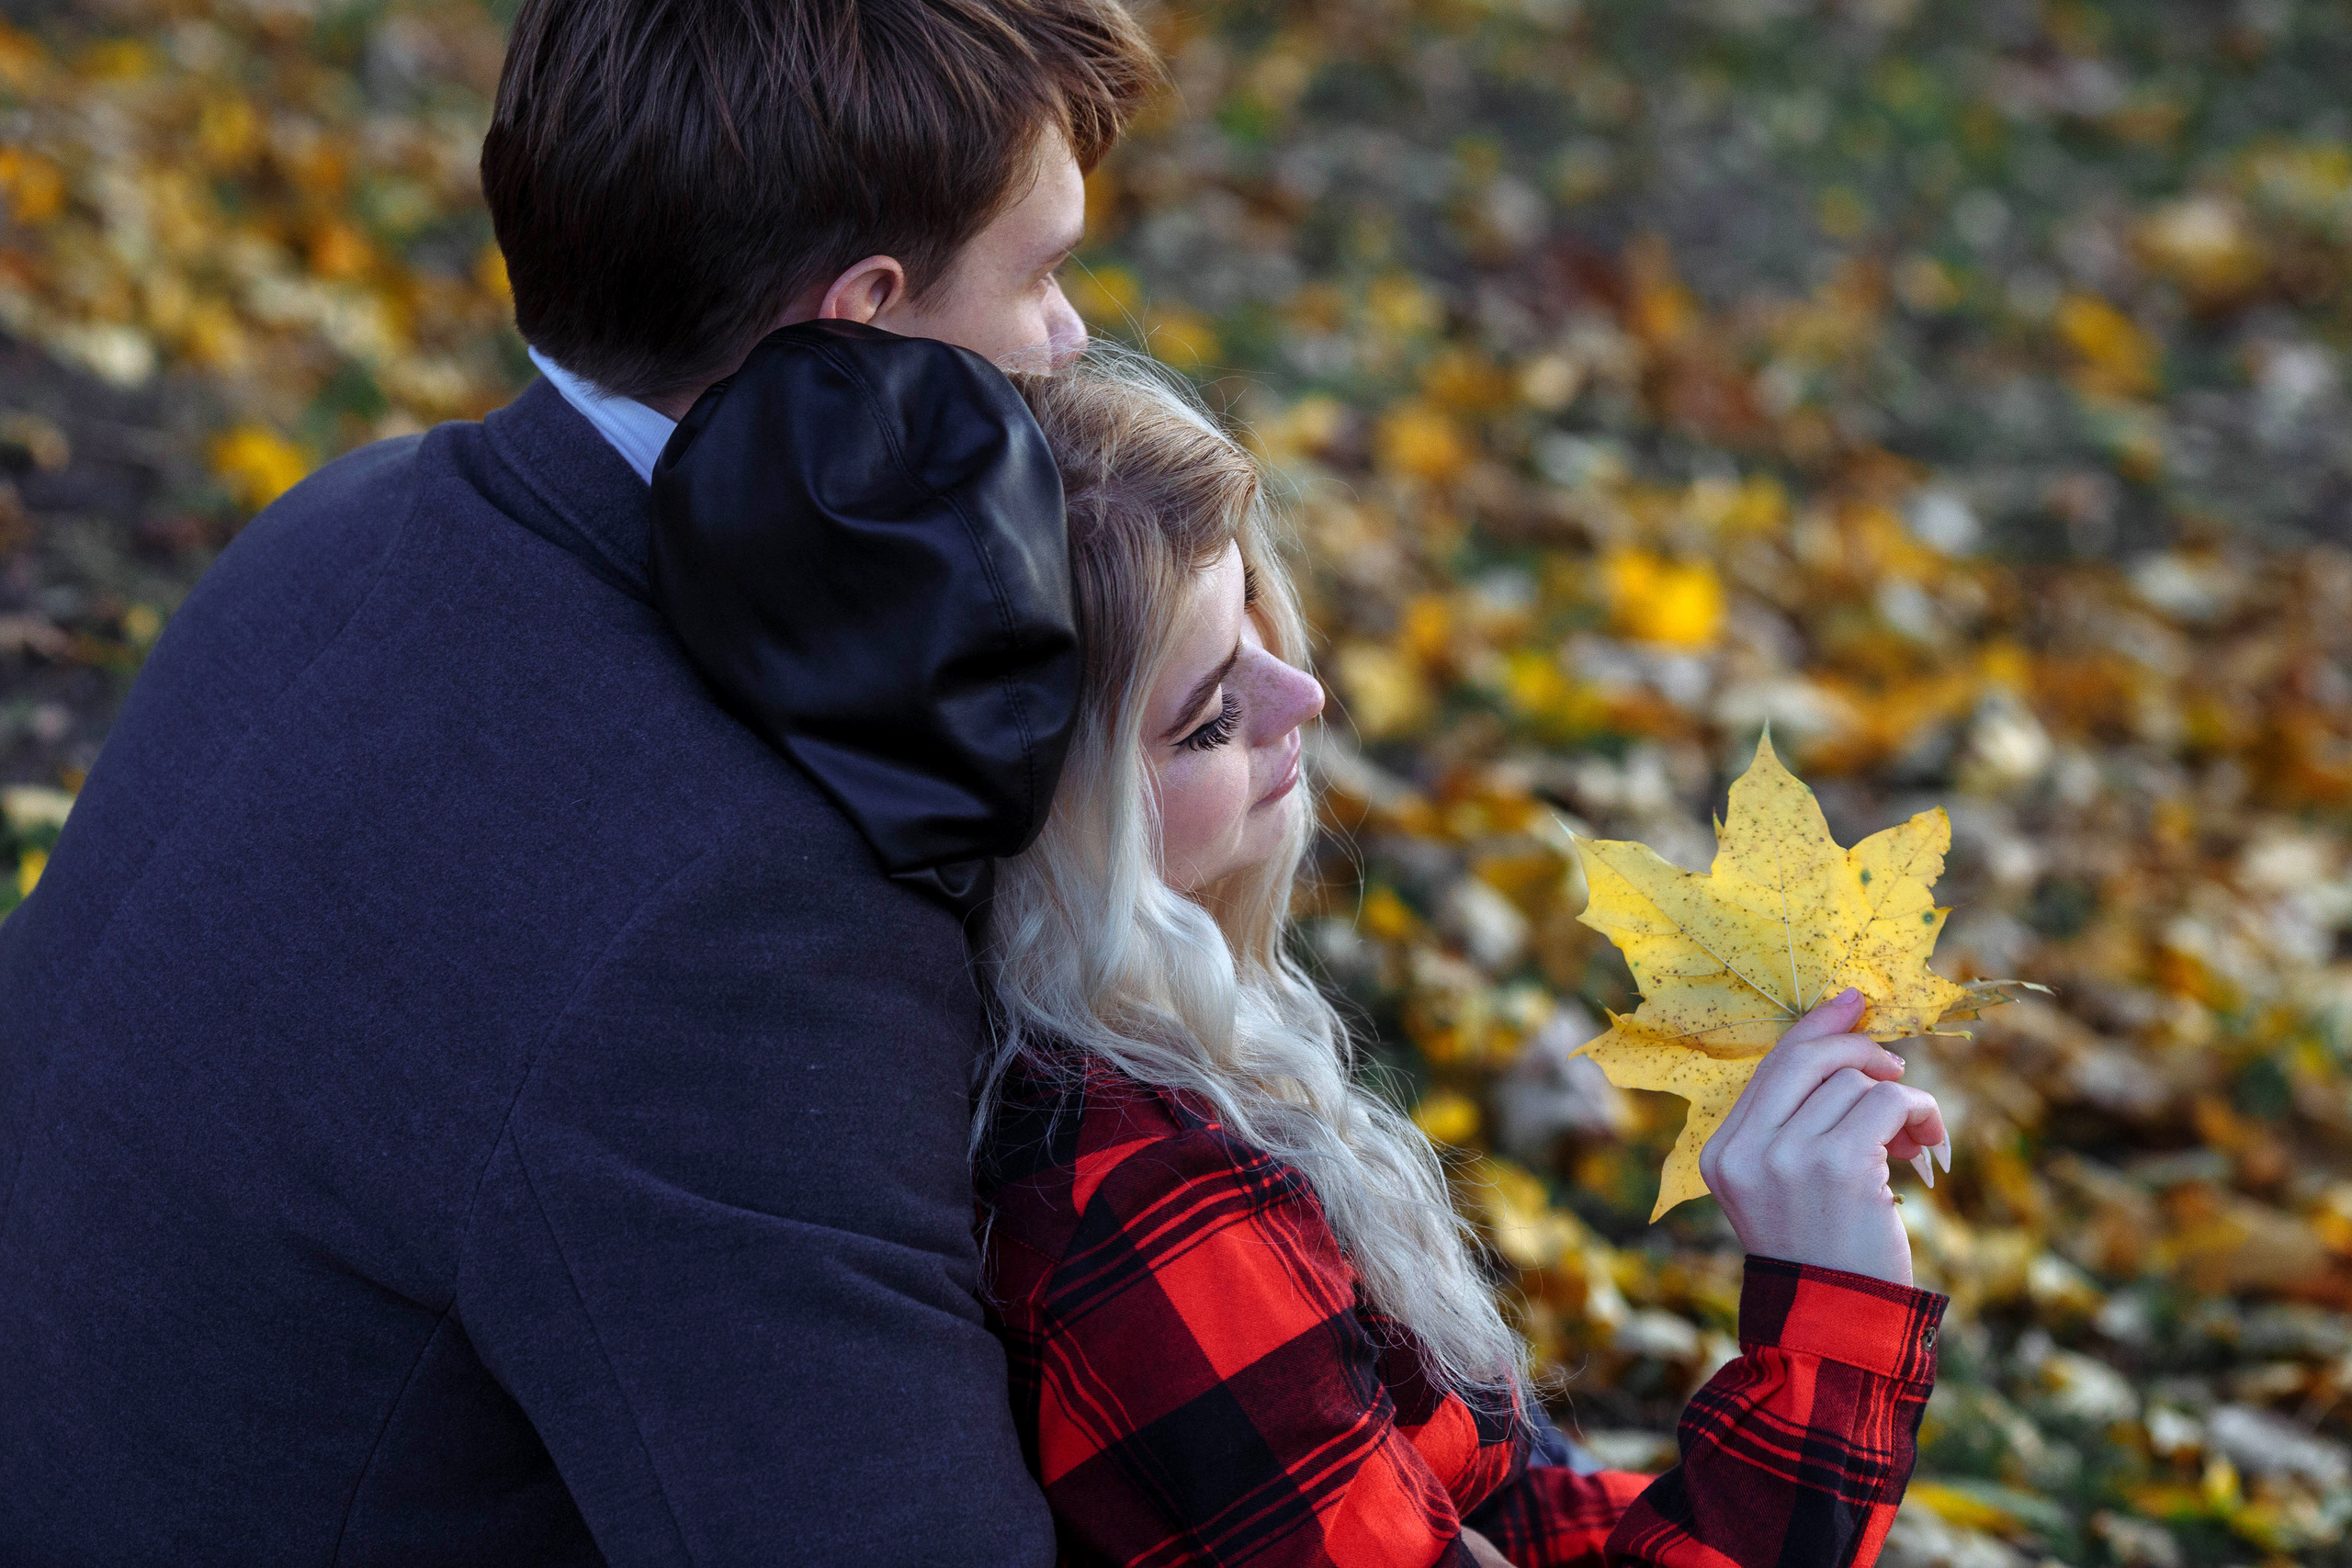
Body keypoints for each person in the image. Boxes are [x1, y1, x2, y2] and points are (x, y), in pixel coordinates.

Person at [0, 1, 1155, 1562]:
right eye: (1043, 275)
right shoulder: (728, 903)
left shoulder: (350, 525)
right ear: (867, 317)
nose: (1068, 338)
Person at [974, 363, 1951, 1568]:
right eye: (1210, 719)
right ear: (1060, 825)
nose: (1305, 693)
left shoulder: (1157, 1055)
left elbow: (1482, 1521)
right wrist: (1829, 1328)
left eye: (1257, 631)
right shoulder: (1147, 1209)